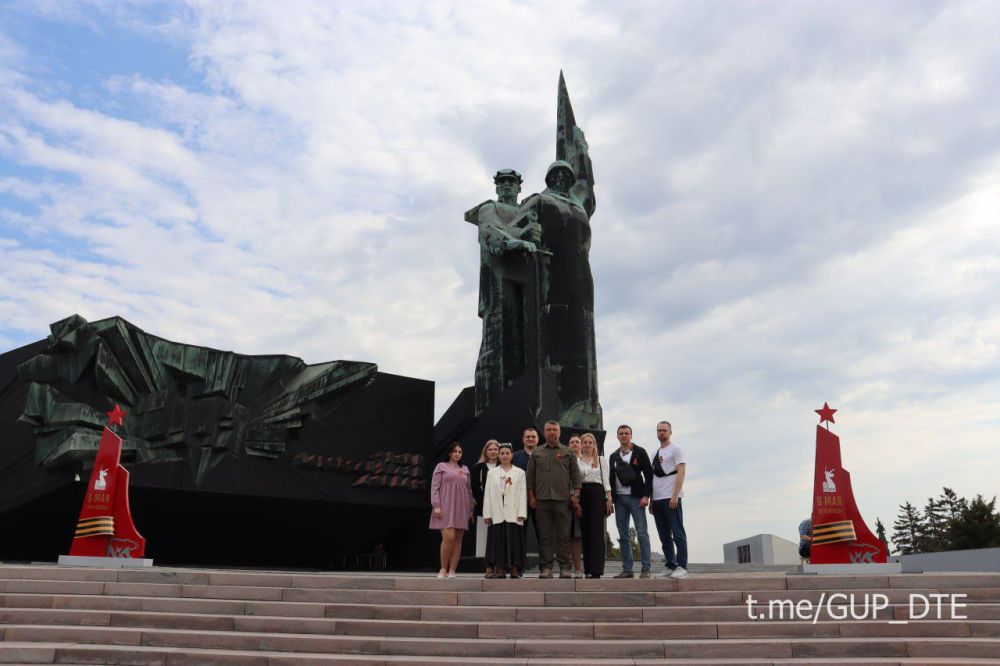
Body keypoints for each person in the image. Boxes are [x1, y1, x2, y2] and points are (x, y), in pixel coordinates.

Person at [526, 420, 582, 578]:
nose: (551, 432)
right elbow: (530, 478)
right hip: (541, 501)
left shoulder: (568, 452)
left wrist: (576, 495)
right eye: (549, 430)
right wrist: (531, 497)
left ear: (559, 432)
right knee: (544, 536)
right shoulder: (537, 452)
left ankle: (565, 568)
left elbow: (576, 476)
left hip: (563, 501)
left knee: (563, 536)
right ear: (544, 432)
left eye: (554, 430)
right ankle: (546, 568)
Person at [608, 424, 653, 578]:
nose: (624, 435)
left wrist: (646, 496)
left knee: (641, 534)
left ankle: (646, 569)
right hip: (619, 500)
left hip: (637, 498)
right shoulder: (614, 456)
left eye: (626, 433)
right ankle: (627, 569)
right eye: (621, 433)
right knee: (623, 536)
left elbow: (649, 475)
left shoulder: (640, 452)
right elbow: (611, 479)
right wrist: (611, 499)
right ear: (617, 436)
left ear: (631, 435)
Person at [649, 421, 688, 579]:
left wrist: (675, 495)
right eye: (659, 430)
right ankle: (670, 565)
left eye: (664, 430)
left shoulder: (676, 449)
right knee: (664, 535)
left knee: (677, 532)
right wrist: (652, 500)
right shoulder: (654, 453)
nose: (661, 433)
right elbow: (652, 477)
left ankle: (682, 566)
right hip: (657, 499)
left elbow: (681, 472)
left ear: (670, 432)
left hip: (671, 497)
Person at [429, 442, 475, 579]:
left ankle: (452, 570)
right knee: (448, 538)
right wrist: (436, 505)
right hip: (445, 506)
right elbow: (434, 487)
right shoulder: (441, 466)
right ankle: (443, 569)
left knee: (458, 540)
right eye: (454, 451)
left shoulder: (465, 469)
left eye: (460, 452)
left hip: (462, 507)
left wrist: (471, 509)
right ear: (449, 453)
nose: (457, 454)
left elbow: (469, 491)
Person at [483, 443, 527, 578]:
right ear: (499, 455)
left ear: (512, 455)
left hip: (513, 511)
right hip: (497, 510)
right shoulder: (492, 473)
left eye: (507, 453)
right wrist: (487, 513)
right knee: (497, 540)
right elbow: (488, 494)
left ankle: (514, 568)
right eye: (502, 453)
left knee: (514, 540)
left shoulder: (519, 472)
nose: (505, 455)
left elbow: (522, 493)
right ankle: (499, 568)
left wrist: (522, 513)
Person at [577, 432, 612, 578]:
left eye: (590, 442)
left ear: (594, 444)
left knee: (597, 532)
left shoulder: (600, 460)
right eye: (584, 442)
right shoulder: (576, 460)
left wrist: (609, 497)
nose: (587, 444)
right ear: (581, 444)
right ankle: (588, 569)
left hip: (597, 494)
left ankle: (597, 569)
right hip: (582, 493)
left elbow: (606, 480)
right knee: (585, 532)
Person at [472, 440, 500, 576]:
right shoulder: (478, 468)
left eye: (496, 449)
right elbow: (475, 489)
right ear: (485, 451)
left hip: (501, 509)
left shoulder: (505, 467)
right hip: (484, 508)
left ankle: (498, 566)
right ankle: (488, 567)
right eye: (490, 449)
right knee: (484, 539)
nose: (493, 451)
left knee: (499, 539)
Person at [567, 435, 584, 577]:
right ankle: (576, 568)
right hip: (568, 500)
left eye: (577, 442)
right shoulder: (564, 460)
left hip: (586, 500)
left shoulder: (587, 460)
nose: (575, 444)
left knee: (585, 535)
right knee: (573, 536)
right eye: (572, 442)